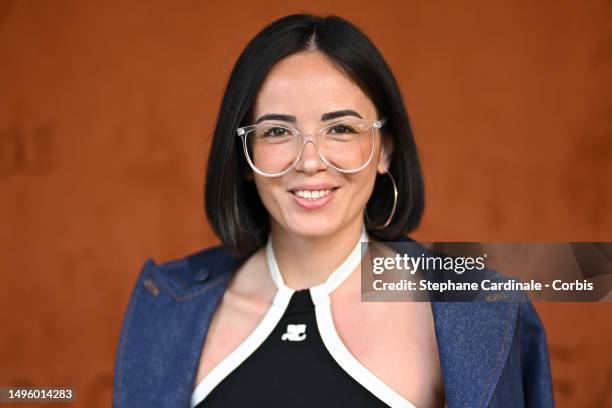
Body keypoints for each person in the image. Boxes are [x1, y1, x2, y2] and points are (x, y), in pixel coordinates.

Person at [113, 14, 555, 407]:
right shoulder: (165, 308)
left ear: (385, 150)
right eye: (276, 132)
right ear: (244, 156)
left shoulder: (478, 307)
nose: (309, 161)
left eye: (341, 128)